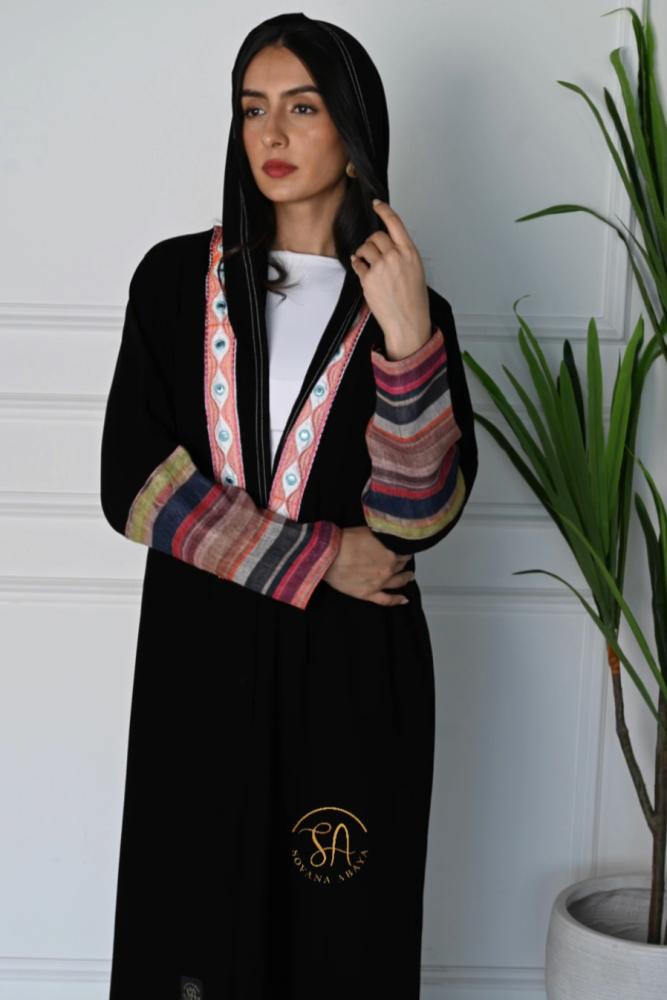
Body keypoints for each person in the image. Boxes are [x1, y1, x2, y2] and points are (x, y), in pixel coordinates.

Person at [100, 11, 478, 1000]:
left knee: (337, 947)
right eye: (252, 108)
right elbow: (135, 484)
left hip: (350, 684)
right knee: (190, 943)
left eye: (302, 108)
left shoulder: (411, 306)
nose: (269, 133)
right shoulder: (174, 282)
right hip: (198, 672)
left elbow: (417, 520)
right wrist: (318, 556)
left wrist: (406, 340)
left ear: (353, 131)